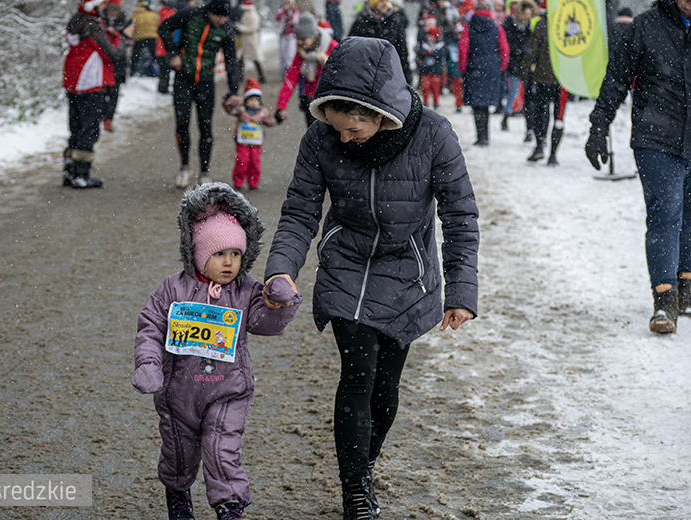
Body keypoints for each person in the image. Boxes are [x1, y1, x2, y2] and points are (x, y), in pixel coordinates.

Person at [263, 37, 479, 520]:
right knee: (358, 377)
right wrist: (281, 268)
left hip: (408, 272)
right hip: (346, 268)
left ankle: (363, 459)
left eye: (353, 127)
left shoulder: (434, 135)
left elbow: (460, 216)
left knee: (385, 389)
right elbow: (299, 210)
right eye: (336, 129)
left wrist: (461, 290)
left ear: (381, 112)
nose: (343, 138)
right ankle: (356, 487)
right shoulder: (320, 138)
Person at [132, 183, 302, 520]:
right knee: (178, 454)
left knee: (221, 448)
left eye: (236, 255)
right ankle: (178, 494)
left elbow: (265, 323)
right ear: (197, 253)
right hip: (177, 391)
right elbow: (151, 325)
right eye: (219, 254)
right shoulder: (173, 288)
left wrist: (278, 303)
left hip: (228, 390)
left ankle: (230, 506)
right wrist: (149, 362)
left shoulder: (246, 290)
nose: (228, 263)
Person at [585, 0, 691, 334]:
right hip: (656, 137)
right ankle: (664, 299)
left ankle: (686, 286)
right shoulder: (644, 27)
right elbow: (616, 78)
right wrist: (598, 127)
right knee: (665, 212)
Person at [158, 0, 241, 188]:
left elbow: (231, 61)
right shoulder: (190, 15)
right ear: (210, 12)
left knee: (205, 126)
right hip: (183, 79)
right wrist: (172, 54)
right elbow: (164, 27)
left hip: (205, 81)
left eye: (225, 16)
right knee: (182, 123)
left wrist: (233, 90)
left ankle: (204, 171)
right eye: (219, 16)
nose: (222, 20)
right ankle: (184, 166)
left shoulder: (226, 29)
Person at [62, 0, 125, 188]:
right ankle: (82, 174)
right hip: (89, 82)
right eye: (104, 4)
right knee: (89, 129)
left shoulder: (76, 21)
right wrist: (123, 39)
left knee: (76, 127)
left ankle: (70, 171)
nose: (107, 8)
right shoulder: (93, 26)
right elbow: (113, 55)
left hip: (73, 80)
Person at [458, 0, 509, 146]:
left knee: (476, 103)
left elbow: (463, 48)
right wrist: (501, 67)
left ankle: (480, 136)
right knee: (486, 103)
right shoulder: (496, 27)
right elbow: (504, 49)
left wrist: (463, 67)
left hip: (473, 67)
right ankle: (486, 136)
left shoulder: (469, 27)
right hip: (491, 68)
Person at [274, 12, 337, 127]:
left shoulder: (332, 47)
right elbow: (290, 79)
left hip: (330, 101)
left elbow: (342, 74)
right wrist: (281, 106)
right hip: (310, 101)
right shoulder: (301, 54)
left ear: (313, 35)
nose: (299, 42)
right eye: (298, 38)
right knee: (315, 139)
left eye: (303, 39)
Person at [520, 9, 567, 165]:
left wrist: (525, 71)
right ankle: (553, 154)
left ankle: (540, 146)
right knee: (559, 117)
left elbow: (532, 50)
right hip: (563, 79)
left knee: (542, 113)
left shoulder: (543, 24)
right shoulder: (570, 22)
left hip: (543, 76)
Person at [348, 0, 412, 85]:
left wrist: (406, 77)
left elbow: (402, 51)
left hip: (388, 76)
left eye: (387, 1)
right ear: (373, 3)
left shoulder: (394, 23)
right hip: (365, 75)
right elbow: (351, 49)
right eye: (381, 1)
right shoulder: (361, 22)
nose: (385, 4)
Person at [231, 78, 274, 190]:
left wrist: (269, 119)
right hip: (242, 141)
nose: (254, 103)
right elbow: (230, 108)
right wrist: (232, 99)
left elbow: (271, 122)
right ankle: (238, 181)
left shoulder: (263, 112)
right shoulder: (241, 111)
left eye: (256, 100)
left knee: (255, 161)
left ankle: (253, 182)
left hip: (256, 142)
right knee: (242, 160)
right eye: (251, 100)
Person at [500, 0, 535, 131]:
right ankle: (506, 116)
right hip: (515, 64)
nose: (528, 16)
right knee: (513, 92)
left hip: (527, 65)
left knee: (528, 96)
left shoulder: (529, 27)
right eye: (526, 13)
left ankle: (529, 128)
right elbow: (508, 44)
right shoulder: (510, 25)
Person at [102, 0, 133, 132]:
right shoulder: (101, 21)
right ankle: (103, 114)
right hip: (104, 61)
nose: (113, 12)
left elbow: (129, 40)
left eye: (115, 9)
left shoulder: (126, 22)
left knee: (114, 92)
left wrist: (118, 35)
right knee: (103, 91)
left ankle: (109, 118)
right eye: (111, 9)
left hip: (119, 61)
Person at [234, 0, 266, 84]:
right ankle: (240, 77)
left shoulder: (253, 15)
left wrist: (240, 27)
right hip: (245, 40)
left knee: (255, 59)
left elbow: (252, 28)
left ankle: (262, 77)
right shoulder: (247, 14)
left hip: (251, 40)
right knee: (241, 59)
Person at [415, 26, 447, 109]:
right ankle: (425, 102)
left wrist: (431, 53)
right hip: (425, 70)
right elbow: (419, 52)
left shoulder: (440, 45)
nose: (428, 37)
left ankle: (436, 103)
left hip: (436, 71)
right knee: (425, 87)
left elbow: (441, 55)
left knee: (436, 89)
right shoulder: (423, 45)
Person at [130, 0, 159, 76]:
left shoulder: (135, 14)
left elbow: (132, 26)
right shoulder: (152, 14)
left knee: (136, 56)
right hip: (152, 37)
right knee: (154, 55)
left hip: (139, 38)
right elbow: (157, 24)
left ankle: (133, 72)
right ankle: (157, 71)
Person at [155, 0, 177, 94]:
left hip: (159, 46)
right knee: (166, 69)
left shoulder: (160, 13)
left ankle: (162, 88)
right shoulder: (171, 15)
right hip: (166, 47)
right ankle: (164, 89)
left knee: (163, 70)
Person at [275, 0, 300, 77]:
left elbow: (295, 21)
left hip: (291, 35)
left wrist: (290, 11)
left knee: (290, 54)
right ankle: (283, 72)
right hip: (283, 34)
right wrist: (283, 10)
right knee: (283, 54)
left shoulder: (295, 10)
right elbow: (277, 18)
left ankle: (289, 73)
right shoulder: (282, 10)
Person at [445, 22, 465, 112]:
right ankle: (458, 105)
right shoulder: (452, 45)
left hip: (466, 71)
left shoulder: (468, 44)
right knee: (457, 89)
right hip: (456, 70)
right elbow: (449, 59)